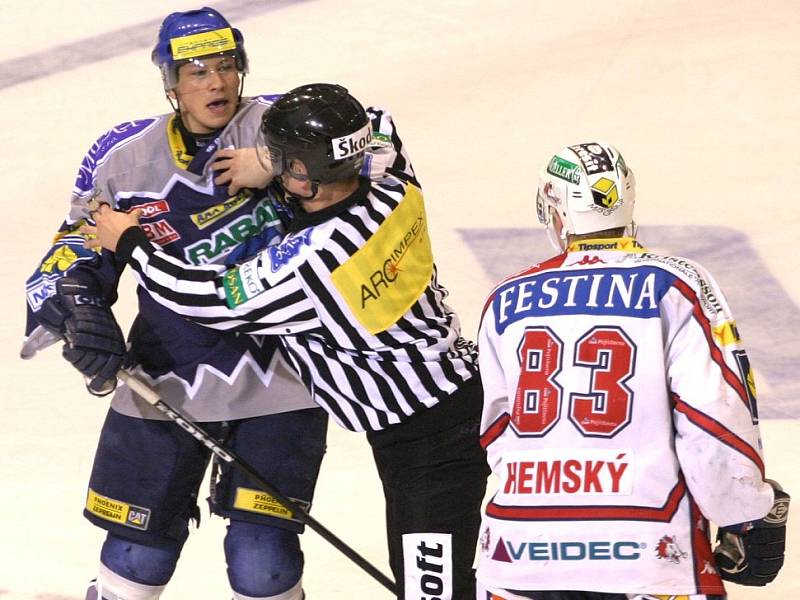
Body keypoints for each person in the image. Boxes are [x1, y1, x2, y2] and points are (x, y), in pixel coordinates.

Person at [20, 9, 402, 600]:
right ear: (170, 83)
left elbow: (378, 144)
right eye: (196, 71)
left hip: (284, 367)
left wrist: (274, 162)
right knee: (136, 555)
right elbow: (71, 250)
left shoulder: (285, 125)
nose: (216, 84)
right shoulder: (122, 157)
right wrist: (77, 307)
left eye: (227, 67)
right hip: (166, 369)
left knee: (263, 562)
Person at [83, 82, 491, 600]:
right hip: (448, 395)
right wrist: (275, 161)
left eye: (282, 158)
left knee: (432, 592)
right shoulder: (392, 182)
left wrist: (130, 241)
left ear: (305, 174)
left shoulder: (317, 261)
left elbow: (205, 298)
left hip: (426, 445)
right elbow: (378, 122)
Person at [472, 142, 789, 599]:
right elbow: (712, 420)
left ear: (554, 208)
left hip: (518, 553)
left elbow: (498, 430)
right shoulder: (675, 283)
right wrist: (745, 511)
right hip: (648, 552)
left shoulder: (505, 298)